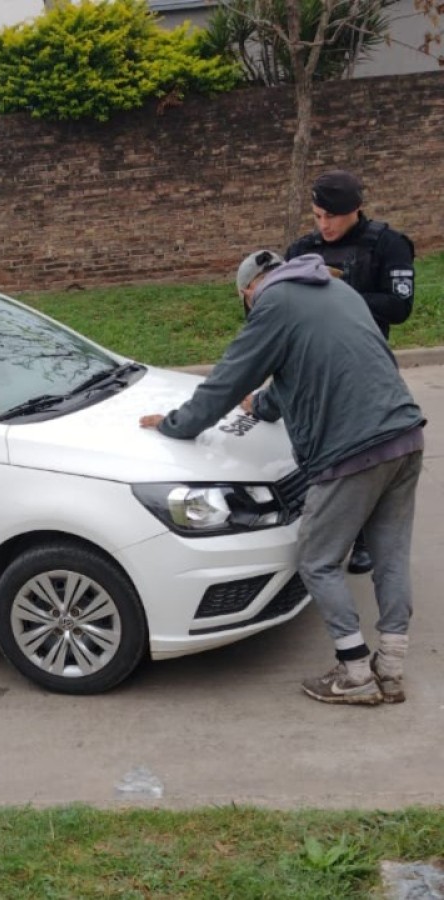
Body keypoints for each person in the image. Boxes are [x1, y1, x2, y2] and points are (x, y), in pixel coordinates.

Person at [139, 250, 424, 706]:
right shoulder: (337, 290)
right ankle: (390, 667)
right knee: (390, 556)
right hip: (405, 435)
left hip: (353, 451)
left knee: (317, 559)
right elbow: (321, 363)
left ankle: (354, 673)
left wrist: (176, 424)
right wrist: (266, 405)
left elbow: (227, 380)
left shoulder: (272, 303)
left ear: (249, 290)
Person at [286, 170, 416, 575]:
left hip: (367, 367)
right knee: (318, 452)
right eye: (318, 215)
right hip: (315, 368)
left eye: (333, 217)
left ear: (356, 210)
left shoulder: (387, 245)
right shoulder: (302, 249)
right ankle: (327, 528)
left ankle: (364, 540)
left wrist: (340, 291)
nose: (324, 226)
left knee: (366, 455)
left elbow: (400, 307)